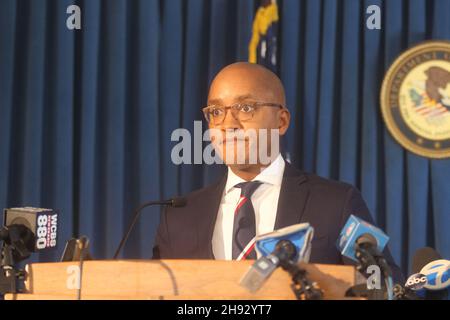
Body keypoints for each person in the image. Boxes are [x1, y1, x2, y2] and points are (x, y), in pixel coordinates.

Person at [153, 62, 403, 283]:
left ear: (281, 121)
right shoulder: (178, 217)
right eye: (216, 112)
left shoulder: (337, 203)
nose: (228, 125)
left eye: (246, 108)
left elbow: (383, 283)